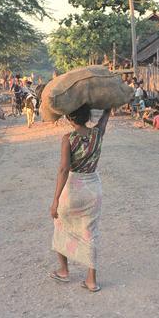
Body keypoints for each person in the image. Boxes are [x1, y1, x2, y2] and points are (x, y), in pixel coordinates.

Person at [49, 105, 111, 293]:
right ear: (87, 116)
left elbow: (64, 169)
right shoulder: (98, 133)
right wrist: (107, 106)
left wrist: (55, 200)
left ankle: (64, 270)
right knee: (90, 233)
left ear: (69, 118)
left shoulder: (68, 139)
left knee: (60, 227)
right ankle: (91, 280)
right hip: (93, 188)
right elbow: (106, 115)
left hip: (73, 189)